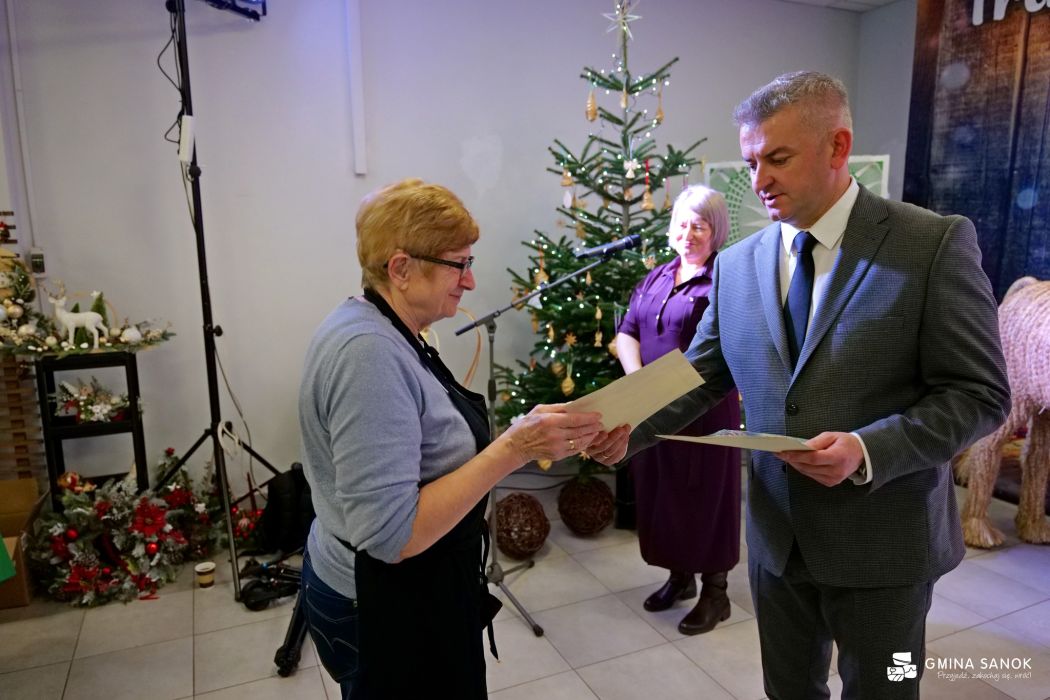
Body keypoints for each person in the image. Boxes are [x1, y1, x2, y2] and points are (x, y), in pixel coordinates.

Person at [589, 71, 1010, 699]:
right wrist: (610, 422)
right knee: (787, 690)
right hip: (776, 541)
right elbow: (699, 372)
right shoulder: (738, 264)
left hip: (885, 547)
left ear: (838, 147)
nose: (759, 180)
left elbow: (979, 393)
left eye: (777, 159)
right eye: (751, 162)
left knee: (887, 690)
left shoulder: (931, 244)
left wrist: (868, 449)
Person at [298, 178, 604, 700]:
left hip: (410, 589)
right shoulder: (369, 354)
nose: (470, 280)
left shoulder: (382, 326)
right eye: (458, 264)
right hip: (382, 605)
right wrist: (514, 448)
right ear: (400, 268)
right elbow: (392, 535)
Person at [614, 184, 741, 636]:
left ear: (716, 231)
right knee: (664, 494)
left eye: (699, 226)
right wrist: (640, 383)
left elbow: (727, 346)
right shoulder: (656, 277)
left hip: (704, 411)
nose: (688, 234)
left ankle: (716, 593)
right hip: (652, 407)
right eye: (682, 224)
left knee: (706, 498)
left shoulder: (725, 280)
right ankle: (680, 576)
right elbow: (627, 331)